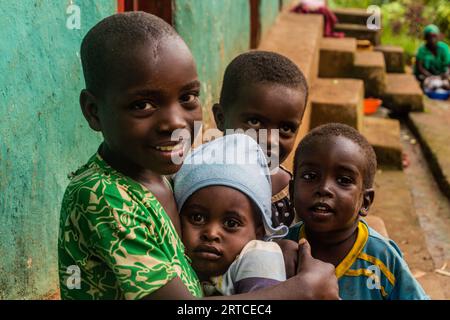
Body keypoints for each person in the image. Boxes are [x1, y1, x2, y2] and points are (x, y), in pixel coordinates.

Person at [58, 11, 339, 300]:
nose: (175, 122)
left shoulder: (163, 175)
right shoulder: (102, 197)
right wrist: (297, 291)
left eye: (187, 98)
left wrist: (267, 250)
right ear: (93, 111)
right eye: (142, 104)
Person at [286, 123, 429, 300]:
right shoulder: (284, 249)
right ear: (292, 192)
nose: (324, 188)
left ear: (365, 202)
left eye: (343, 180)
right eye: (310, 176)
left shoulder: (380, 259)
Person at [174, 134, 287, 296]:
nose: (211, 234)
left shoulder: (259, 255)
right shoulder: (172, 259)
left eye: (231, 223)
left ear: (259, 232)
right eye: (197, 218)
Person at [212, 51, 308, 228]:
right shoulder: (196, 177)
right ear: (220, 118)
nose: (270, 140)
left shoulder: (294, 196)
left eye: (286, 128)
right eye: (254, 122)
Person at [415, 24, 450, 91]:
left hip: (442, 75)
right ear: (426, 38)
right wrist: (431, 76)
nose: (432, 39)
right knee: (429, 85)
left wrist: (446, 73)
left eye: (434, 36)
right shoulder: (422, 50)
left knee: (446, 83)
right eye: (429, 37)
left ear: (438, 37)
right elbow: (419, 67)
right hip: (427, 75)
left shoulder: (444, 48)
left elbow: (449, 65)